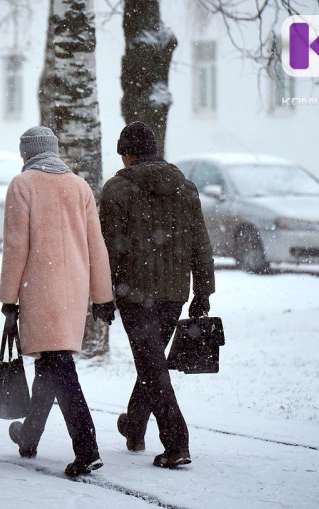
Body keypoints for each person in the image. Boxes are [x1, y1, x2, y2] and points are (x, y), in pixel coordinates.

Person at [0, 126, 116, 478]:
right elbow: (97, 246)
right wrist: (102, 297)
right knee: (52, 365)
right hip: (74, 291)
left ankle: (87, 449)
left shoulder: (22, 185)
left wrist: (8, 298)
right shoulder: (79, 186)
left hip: (39, 289)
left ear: (27, 153)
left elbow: (16, 246)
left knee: (60, 369)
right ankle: (28, 437)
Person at [99, 121, 215, 468]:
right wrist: (203, 290)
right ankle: (134, 426)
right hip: (174, 292)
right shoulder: (185, 188)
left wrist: (103, 296)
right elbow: (201, 244)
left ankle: (177, 443)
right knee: (152, 362)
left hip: (134, 294)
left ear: (127, 153)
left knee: (150, 365)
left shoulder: (117, 190)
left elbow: (109, 250)